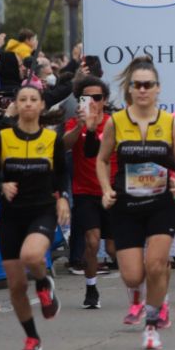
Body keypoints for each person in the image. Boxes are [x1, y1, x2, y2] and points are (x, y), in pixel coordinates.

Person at [96, 58, 175, 350]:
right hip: (127, 206)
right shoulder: (117, 122)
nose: (143, 90)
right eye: (138, 85)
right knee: (133, 275)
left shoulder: (170, 123)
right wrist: (106, 189)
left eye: (149, 85)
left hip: (161, 202)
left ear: (158, 89)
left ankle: (151, 323)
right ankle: (141, 293)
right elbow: (100, 159)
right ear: (131, 89)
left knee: (157, 264)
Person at [0, 85, 68, 350]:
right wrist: (2, 185)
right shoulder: (2, 137)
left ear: (41, 105)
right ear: (16, 105)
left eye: (32, 99)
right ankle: (32, 338)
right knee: (16, 286)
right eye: (22, 99)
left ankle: (44, 281)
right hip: (11, 216)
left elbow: (61, 175)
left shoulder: (51, 138)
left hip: (41, 211)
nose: (27, 104)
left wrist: (63, 198)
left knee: (32, 256)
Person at [62, 76, 113, 309]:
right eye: (87, 97)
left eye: (98, 97)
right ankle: (91, 288)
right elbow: (64, 145)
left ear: (104, 100)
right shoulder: (74, 123)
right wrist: (83, 127)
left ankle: (138, 290)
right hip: (84, 192)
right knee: (92, 243)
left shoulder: (114, 123)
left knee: (113, 249)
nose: (93, 102)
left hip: (111, 192)